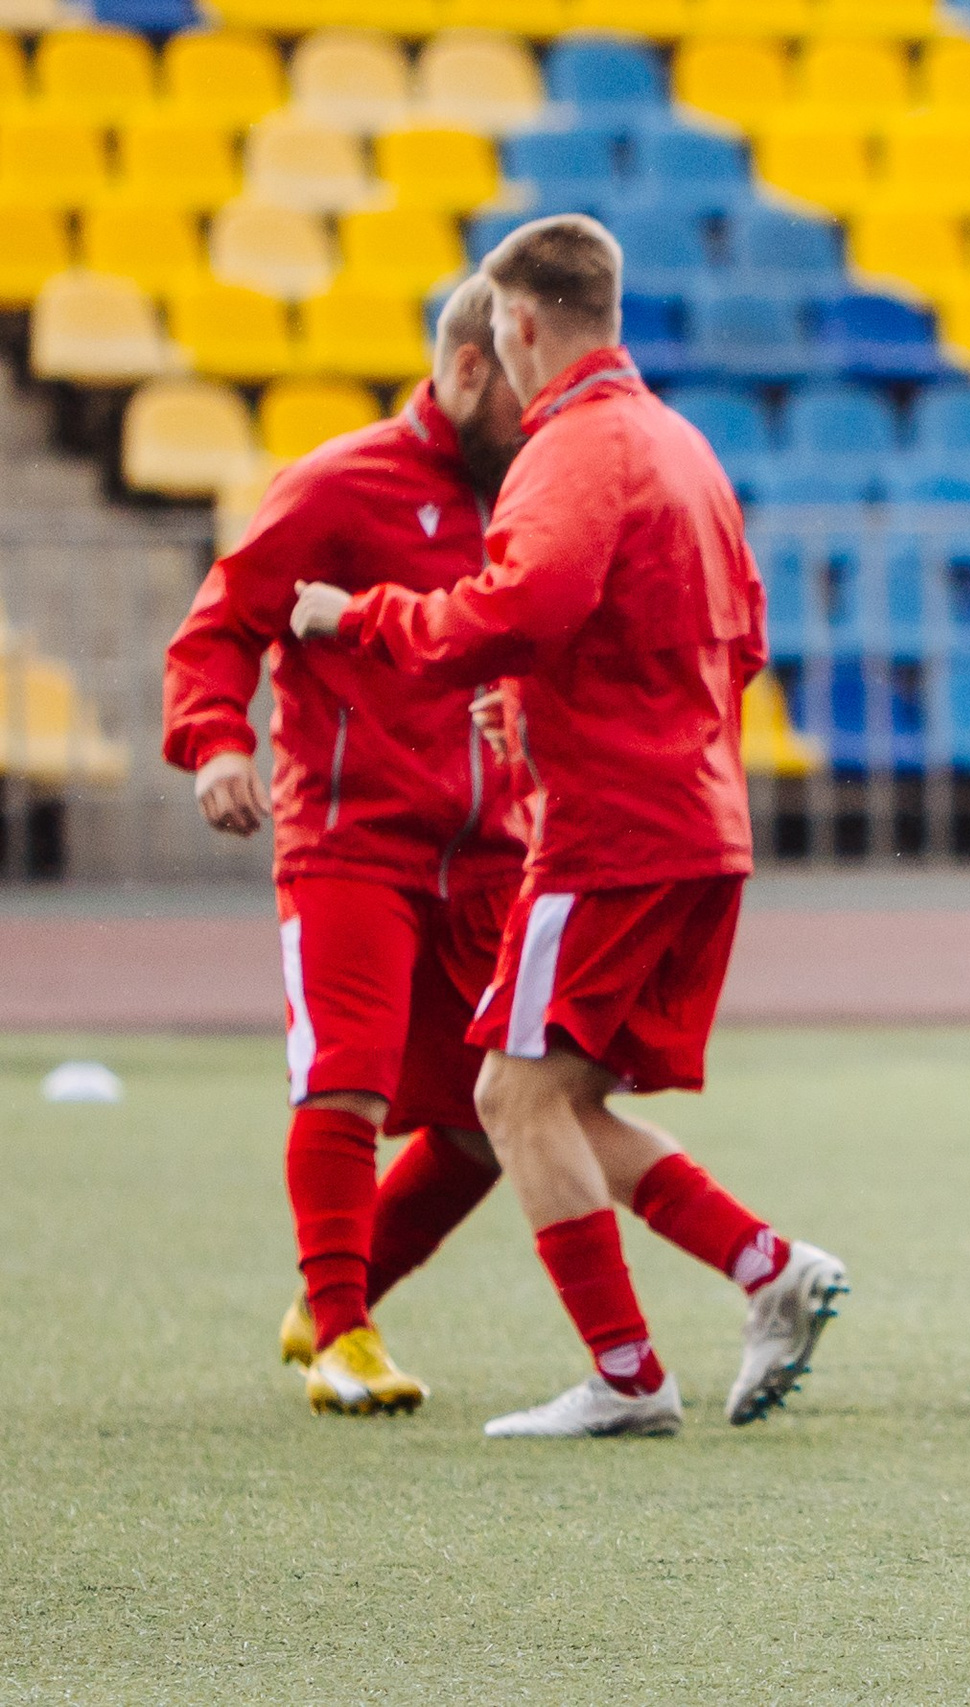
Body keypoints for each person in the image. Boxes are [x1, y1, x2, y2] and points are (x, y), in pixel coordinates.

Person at [289, 215, 844, 1439]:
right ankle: (768, 1269)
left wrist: (357, 618)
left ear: (520, 324)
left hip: (607, 831)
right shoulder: (679, 443)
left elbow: (519, 605)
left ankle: (628, 1376)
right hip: (699, 820)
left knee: (509, 1098)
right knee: (566, 1102)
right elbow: (741, 635)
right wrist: (553, 700)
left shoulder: (572, 446)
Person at [164, 278, 532, 1417]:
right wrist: (216, 742)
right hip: (350, 840)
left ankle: (337, 1294)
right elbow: (222, 621)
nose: (542, 409)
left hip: (488, 850)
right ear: (467, 369)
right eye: (525, 387)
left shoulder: (532, 489)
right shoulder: (337, 485)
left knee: (495, 1116)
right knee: (346, 1080)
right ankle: (341, 1339)